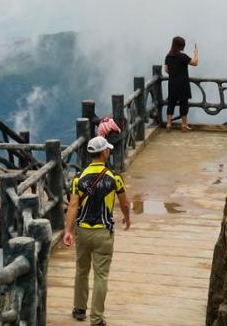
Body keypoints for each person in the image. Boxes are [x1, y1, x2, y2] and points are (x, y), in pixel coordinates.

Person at [62, 136, 131, 326]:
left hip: (82, 230)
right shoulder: (114, 178)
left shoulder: (79, 179)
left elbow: (73, 205)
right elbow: (124, 203)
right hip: (103, 232)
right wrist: (127, 217)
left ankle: (79, 309)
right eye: (107, 150)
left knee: (81, 270)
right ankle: (97, 318)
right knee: (101, 275)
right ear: (104, 153)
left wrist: (68, 230)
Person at [164, 36, 199, 132]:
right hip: (183, 83)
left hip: (172, 83)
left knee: (171, 103)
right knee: (183, 103)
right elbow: (195, 63)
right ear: (181, 46)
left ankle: (168, 124)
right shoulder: (183, 56)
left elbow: (166, 70)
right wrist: (196, 53)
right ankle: (184, 125)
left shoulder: (168, 56)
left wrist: (173, 74)